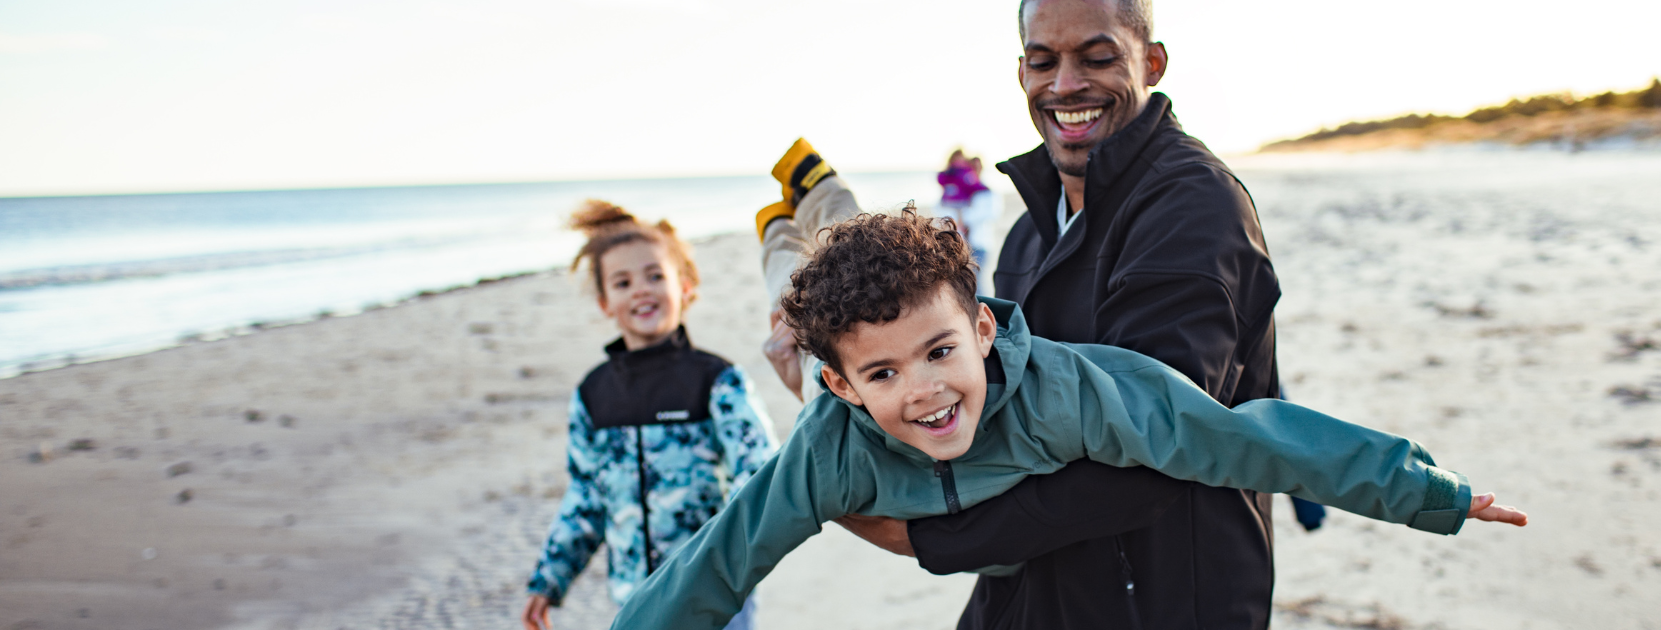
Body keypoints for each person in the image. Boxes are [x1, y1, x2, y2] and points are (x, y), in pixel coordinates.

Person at [609, 211, 1527, 630]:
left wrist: (1427, 492)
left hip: (985, 504)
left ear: (981, 327)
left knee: (851, 290)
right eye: (883, 373)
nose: (926, 390)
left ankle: (819, 218)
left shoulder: (1071, 392)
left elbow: (1243, 438)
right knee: (791, 305)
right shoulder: (834, 437)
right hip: (838, 390)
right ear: (851, 390)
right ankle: (789, 224)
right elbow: (723, 556)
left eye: (940, 353)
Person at [761, 2, 1324, 627]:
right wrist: (840, 403)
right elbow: (990, 417)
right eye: (1043, 61)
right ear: (1021, 71)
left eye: (1098, 56)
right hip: (1026, 595)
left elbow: (1162, 452)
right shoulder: (1032, 226)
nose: (1064, 85)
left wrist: (931, 539)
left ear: (1153, 62)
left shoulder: (1194, 210)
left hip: (1164, 600)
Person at [520, 201, 779, 630]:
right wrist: (550, 579)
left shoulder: (716, 379)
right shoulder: (593, 394)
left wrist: (731, 556)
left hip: (714, 594)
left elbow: (759, 472)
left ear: (686, 287)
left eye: (655, 276)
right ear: (606, 302)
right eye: (623, 282)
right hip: (635, 602)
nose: (641, 290)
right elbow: (586, 498)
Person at [934, 149, 1000, 271]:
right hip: (958, 244)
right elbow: (940, 211)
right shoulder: (958, 190)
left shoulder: (986, 191)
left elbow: (991, 214)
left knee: (976, 281)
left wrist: (961, 217)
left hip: (979, 243)